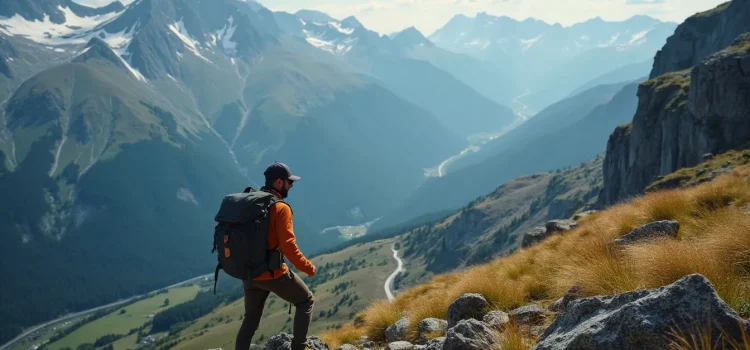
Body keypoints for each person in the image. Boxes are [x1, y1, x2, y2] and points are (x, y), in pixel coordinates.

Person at [235, 162, 317, 350]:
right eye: (289, 182)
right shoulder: (280, 208)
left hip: (249, 273)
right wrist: (308, 267)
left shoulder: (252, 201)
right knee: (306, 301)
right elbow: (288, 246)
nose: (292, 186)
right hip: (272, 272)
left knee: (250, 321)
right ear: (279, 182)